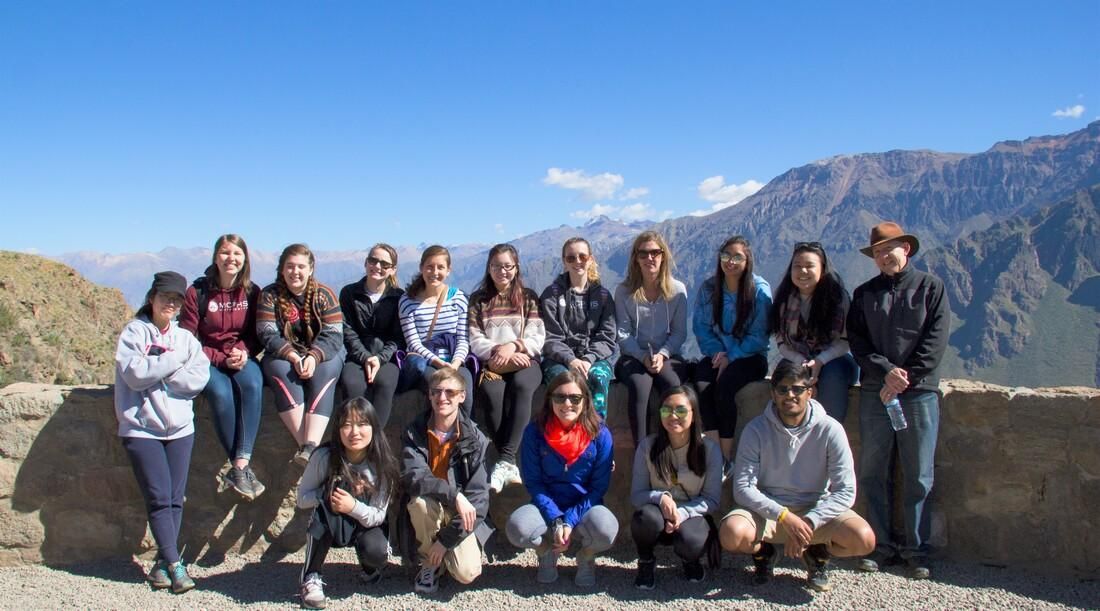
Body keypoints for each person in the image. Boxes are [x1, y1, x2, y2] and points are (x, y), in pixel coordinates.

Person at [847, 222, 949, 579]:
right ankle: (879, 545)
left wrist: (905, 378)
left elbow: (935, 341)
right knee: (874, 470)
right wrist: (885, 372)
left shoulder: (931, 289)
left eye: (890, 248)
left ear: (906, 248)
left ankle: (916, 549)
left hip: (918, 393)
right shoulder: (864, 295)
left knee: (918, 472)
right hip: (877, 392)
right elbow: (857, 343)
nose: (884, 255)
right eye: (877, 251)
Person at [719, 361, 875, 593]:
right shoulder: (756, 430)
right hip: (770, 513)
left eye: (797, 389)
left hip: (815, 510)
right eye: (782, 389)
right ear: (773, 393)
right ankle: (765, 553)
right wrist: (783, 516)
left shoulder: (830, 430)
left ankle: (817, 551)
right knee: (732, 534)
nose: (790, 395)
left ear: (809, 392)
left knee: (863, 540)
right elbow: (743, 488)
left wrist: (810, 521)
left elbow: (845, 490)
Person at [114, 271, 210, 593]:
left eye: (177, 299)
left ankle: (161, 565)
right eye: (165, 296)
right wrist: (173, 363)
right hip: (141, 429)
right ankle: (175, 565)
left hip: (181, 428)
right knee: (158, 498)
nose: (170, 303)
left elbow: (198, 378)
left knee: (174, 498)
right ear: (151, 297)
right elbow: (136, 375)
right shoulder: (134, 334)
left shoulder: (185, 338)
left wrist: (164, 370)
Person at [505, 370, 617, 587]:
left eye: (575, 398)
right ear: (550, 400)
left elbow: (598, 487)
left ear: (585, 401)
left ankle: (586, 555)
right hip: (546, 503)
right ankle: (546, 552)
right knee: (517, 528)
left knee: (606, 530)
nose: (567, 404)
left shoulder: (601, 435)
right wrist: (556, 519)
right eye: (560, 397)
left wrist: (570, 520)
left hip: (585, 505)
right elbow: (534, 483)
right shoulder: (534, 432)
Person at [179, 234, 266, 501]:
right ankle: (241, 468)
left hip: (241, 356)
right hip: (208, 359)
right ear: (216, 257)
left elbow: (257, 332)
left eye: (237, 254)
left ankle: (239, 466)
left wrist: (244, 351)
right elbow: (187, 338)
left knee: (252, 384)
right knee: (220, 393)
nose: (231, 259)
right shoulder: (198, 293)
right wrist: (218, 358)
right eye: (226, 253)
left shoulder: (252, 292)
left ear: (245, 259)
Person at [297, 397, 399, 609]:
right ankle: (311, 576)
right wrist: (328, 495)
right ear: (338, 429)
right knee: (322, 512)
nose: (355, 432)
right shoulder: (324, 457)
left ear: (373, 427)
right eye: (346, 425)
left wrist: (353, 505)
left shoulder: (383, 463)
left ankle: (370, 567)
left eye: (362, 424)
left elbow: (379, 515)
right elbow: (302, 499)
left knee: (377, 551)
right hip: (332, 518)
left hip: (365, 522)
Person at [398, 368, 492, 594]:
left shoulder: (476, 439)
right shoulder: (415, 431)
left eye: (450, 392)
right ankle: (429, 563)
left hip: (462, 514)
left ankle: (440, 550)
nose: (442, 398)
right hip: (430, 504)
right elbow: (414, 477)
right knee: (419, 503)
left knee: (466, 573)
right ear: (429, 395)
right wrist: (454, 495)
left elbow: (479, 500)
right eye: (436, 392)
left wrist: (446, 541)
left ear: (462, 396)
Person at [257, 243, 345, 467]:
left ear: (311, 269)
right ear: (282, 269)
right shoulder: (270, 295)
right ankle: (310, 450)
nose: (295, 272)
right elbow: (267, 333)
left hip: (322, 354)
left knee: (327, 370)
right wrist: (293, 356)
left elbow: (334, 334)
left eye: (300, 267)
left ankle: (310, 446)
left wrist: (314, 356)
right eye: (290, 266)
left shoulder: (324, 294)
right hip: (285, 355)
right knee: (279, 370)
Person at [467, 244, 546, 493]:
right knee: (492, 393)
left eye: (507, 266)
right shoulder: (478, 300)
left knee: (523, 386)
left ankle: (505, 459)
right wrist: (497, 353)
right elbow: (474, 338)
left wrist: (512, 347)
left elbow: (537, 336)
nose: (502, 271)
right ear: (489, 268)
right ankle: (508, 461)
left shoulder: (529, 298)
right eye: (496, 266)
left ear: (516, 267)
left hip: (524, 360)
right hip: (493, 363)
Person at [630, 385, 722, 589]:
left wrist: (681, 514)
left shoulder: (709, 450)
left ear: (693, 414)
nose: (673, 416)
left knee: (691, 540)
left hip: (691, 515)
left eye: (680, 410)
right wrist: (660, 498)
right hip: (658, 514)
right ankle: (646, 560)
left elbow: (712, 499)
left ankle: (690, 559)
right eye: (666, 410)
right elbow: (636, 495)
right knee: (644, 518)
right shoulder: (648, 446)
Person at [692, 236, 772, 471]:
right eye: (726, 256)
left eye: (737, 257)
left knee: (725, 388)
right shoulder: (709, 289)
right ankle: (714, 453)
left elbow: (759, 334)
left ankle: (727, 457)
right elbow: (701, 327)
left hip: (750, 356)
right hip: (718, 353)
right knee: (701, 384)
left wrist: (732, 356)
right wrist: (717, 352)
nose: (730, 262)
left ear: (748, 260)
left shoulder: (758, 290)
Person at [767, 242, 859, 423]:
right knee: (786, 376)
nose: (803, 272)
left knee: (832, 376)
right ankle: (788, 429)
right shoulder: (784, 300)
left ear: (822, 269)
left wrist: (820, 361)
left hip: (834, 359)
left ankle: (829, 432)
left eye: (809, 266)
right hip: (797, 357)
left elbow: (845, 341)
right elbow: (781, 343)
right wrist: (801, 362)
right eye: (798, 266)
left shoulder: (838, 299)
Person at [614, 231, 689, 445]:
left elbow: (679, 333)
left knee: (672, 385)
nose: (650, 258)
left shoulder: (677, 291)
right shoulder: (625, 291)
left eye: (655, 252)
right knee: (640, 385)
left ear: (663, 256)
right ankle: (642, 452)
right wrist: (642, 357)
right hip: (633, 356)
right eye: (643, 253)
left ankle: (674, 446)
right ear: (635, 259)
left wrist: (663, 354)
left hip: (668, 354)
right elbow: (623, 334)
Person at [538, 237, 618, 419]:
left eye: (582, 256)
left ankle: (596, 433)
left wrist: (589, 359)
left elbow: (607, 335)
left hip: (594, 358)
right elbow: (550, 336)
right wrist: (570, 360)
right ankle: (561, 437)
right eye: (571, 258)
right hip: (558, 359)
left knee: (598, 378)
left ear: (590, 259)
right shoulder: (551, 295)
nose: (577, 261)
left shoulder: (603, 297)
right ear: (564, 261)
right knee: (562, 384)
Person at [398, 245, 474, 417]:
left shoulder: (458, 298)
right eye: (430, 267)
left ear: (448, 270)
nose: (434, 272)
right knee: (439, 390)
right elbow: (413, 343)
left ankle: (465, 438)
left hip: (454, 359)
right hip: (427, 361)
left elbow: (463, 338)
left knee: (465, 390)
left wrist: (454, 364)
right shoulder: (407, 301)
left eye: (440, 267)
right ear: (421, 268)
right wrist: (438, 363)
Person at [339, 244, 406, 427]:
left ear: (392, 270)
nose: (377, 266)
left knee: (385, 383)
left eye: (384, 264)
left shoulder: (399, 297)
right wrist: (366, 357)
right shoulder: (349, 293)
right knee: (352, 384)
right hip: (356, 357)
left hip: (387, 358)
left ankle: (375, 443)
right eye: (373, 260)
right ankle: (353, 438)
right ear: (366, 262)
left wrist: (380, 358)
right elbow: (348, 331)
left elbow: (398, 337)